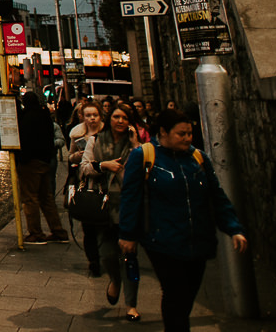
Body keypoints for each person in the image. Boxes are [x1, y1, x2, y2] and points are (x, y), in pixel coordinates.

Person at [119, 108, 247, 332]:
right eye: (181, 134)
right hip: (162, 241)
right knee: (175, 293)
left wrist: (234, 228)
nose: (188, 138)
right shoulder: (144, 156)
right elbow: (131, 198)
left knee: (186, 295)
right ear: (164, 132)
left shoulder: (198, 158)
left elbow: (216, 196)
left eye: (189, 133)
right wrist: (127, 234)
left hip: (197, 239)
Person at [82, 103, 142, 320]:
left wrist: (136, 144)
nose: (120, 121)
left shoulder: (137, 147)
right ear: (110, 119)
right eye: (116, 116)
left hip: (129, 207)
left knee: (130, 257)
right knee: (107, 255)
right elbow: (84, 168)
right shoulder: (96, 141)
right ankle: (115, 280)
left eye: (125, 118)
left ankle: (131, 305)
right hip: (105, 208)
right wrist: (103, 166)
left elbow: (145, 170)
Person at [15, 91, 69, 244]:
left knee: (30, 197)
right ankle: (58, 231)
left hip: (30, 162)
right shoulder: (45, 115)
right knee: (46, 198)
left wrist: (22, 158)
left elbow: (25, 139)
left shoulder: (27, 117)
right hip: (46, 160)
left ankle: (36, 233)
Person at [68, 101, 106, 275]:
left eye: (95, 115)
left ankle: (109, 257)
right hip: (87, 183)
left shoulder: (108, 133)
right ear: (82, 117)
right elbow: (71, 158)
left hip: (108, 185)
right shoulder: (77, 134)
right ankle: (94, 262)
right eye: (88, 115)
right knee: (89, 226)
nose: (92, 118)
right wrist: (79, 155)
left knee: (107, 225)